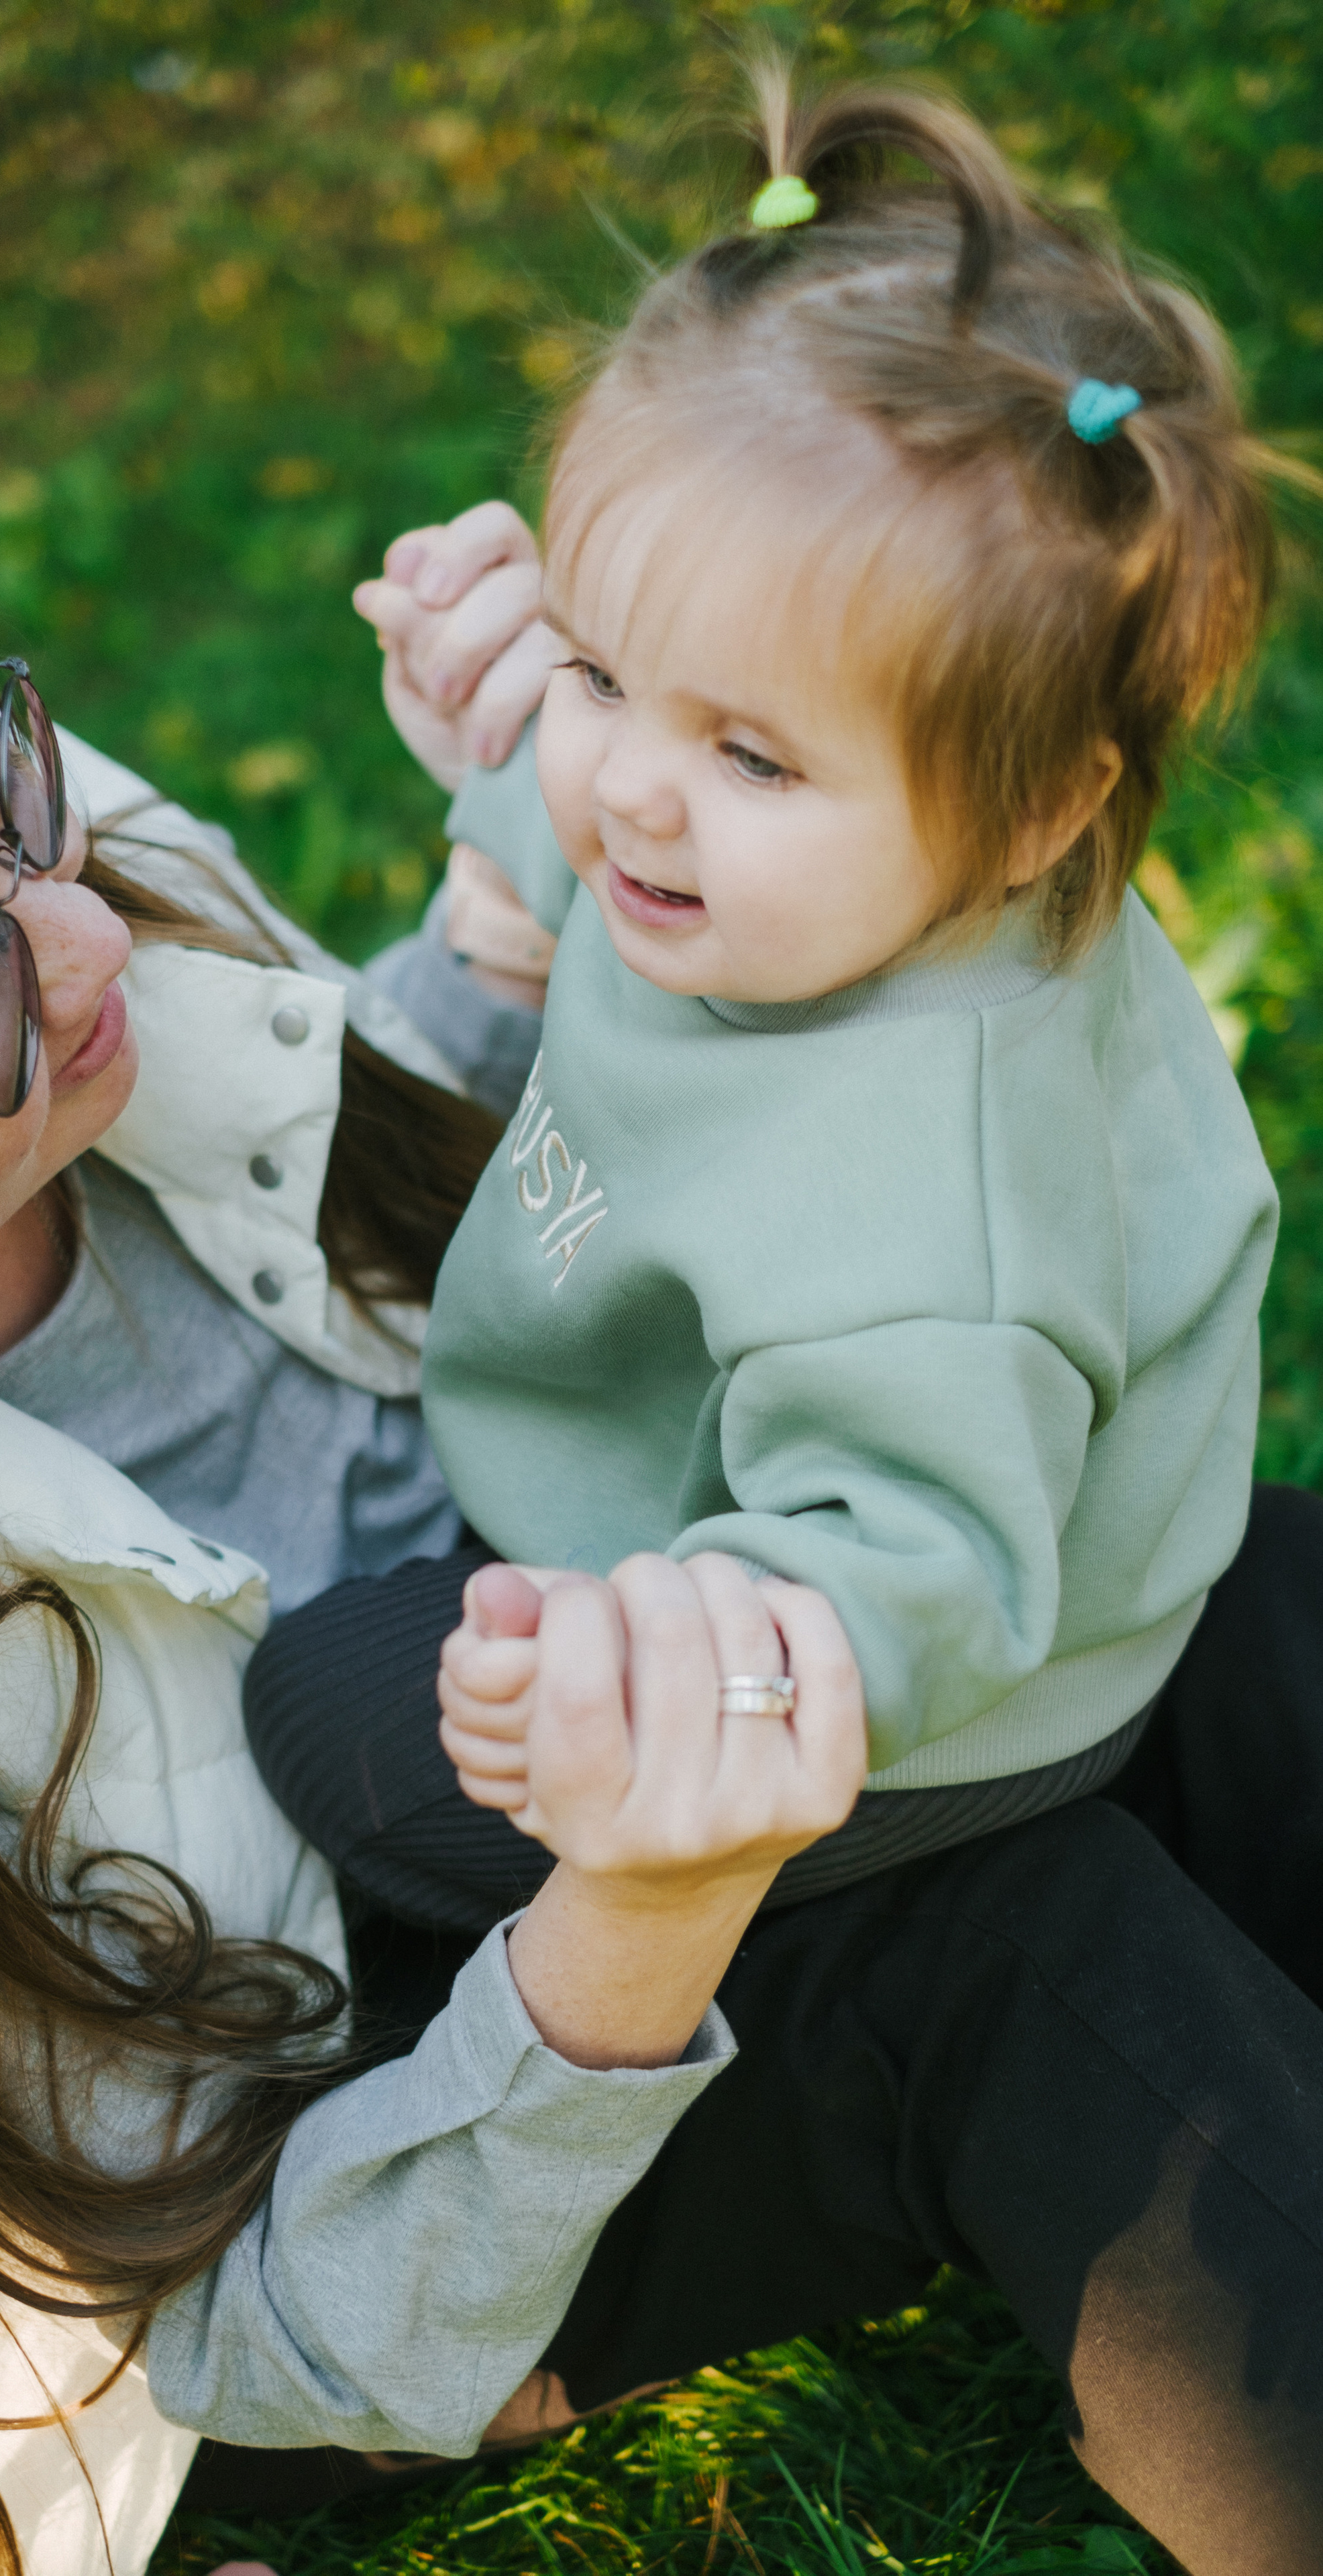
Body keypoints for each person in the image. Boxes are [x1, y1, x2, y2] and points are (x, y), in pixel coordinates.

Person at [236, 74, 1323, 2573]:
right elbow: (592, 786)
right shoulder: (748, 854)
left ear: (1040, 811)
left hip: (904, 1680)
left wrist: (663, 1657)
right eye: (612, 668)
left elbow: (933, 1571)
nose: (630, 795)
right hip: (873, 1527)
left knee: (337, 1724)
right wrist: (488, 723)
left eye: (741, 747)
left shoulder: (921, 1194)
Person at [0, 508, 874, 2576]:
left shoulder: (21, 914)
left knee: (1224, 1628)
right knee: (1025, 1954)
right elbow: (236, 2317)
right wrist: (645, 1928)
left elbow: (355, 1252)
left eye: (20, 772)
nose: (88, 927)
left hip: (536, 1715)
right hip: (396, 2166)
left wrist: (548, 853)